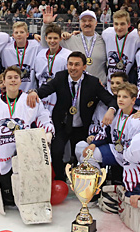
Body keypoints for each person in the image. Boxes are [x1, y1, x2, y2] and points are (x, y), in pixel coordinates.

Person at [27, 51, 118, 181]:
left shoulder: (92, 82)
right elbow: (44, 90)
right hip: (63, 124)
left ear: (84, 67)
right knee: (57, 152)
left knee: (82, 154)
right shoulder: (60, 77)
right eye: (70, 64)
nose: (73, 68)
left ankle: (82, 182)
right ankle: (59, 179)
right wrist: (33, 92)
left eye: (77, 64)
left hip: (83, 126)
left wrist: (111, 109)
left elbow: (110, 99)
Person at [0, 66, 54, 206]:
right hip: (2, 150)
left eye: (16, 78)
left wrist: (47, 133)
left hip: (25, 149)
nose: (13, 80)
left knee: (26, 183)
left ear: (20, 81)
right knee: (9, 198)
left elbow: (43, 118)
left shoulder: (30, 100)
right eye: (9, 78)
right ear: (3, 81)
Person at [75, 83, 140, 178]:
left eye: (125, 97)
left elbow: (138, 150)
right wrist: (93, 144)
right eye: (119, 96)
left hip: (132, 158)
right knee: (87, 155)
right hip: (116, 151)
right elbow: (105, 132)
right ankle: (97, 185)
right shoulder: (115, 114)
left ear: (133, 100)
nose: (120, 99)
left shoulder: (139, 121)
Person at [40, 7, 107, 84]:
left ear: (96, 23)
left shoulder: (104, 41)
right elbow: (47, 45)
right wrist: (46, 24)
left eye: (90, 20)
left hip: (99, 88)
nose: (87, 23)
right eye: (84, 21)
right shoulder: (70, 39)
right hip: (76, 89)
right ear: (79, 23)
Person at [34, 24, 71, 112]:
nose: (52, 41)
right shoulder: (40, 54)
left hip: (58, 97)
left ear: (60, 39)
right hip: (42, 96)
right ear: (46, 38)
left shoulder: (67, 55)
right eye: (50, 38)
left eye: (55, 38)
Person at [101, 10, 140, 89]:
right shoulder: (107, 34)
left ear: (129, 24)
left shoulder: (136, 36)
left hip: (127, 86)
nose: (119, 28)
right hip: (110, 86)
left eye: (122, 24)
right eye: (116, 24)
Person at [0, 21, 41, 91]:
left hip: (30, 91)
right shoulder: (5, 49)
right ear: (13, 35)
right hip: (12, 91)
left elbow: (51, 41)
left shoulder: (36, 45)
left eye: (22, 32)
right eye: (16, 32)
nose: (19, 34)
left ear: (27, 34)